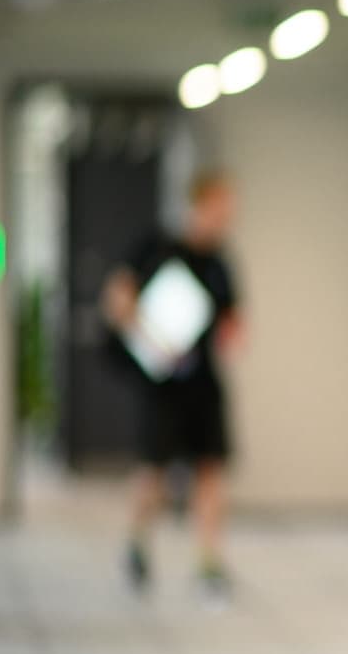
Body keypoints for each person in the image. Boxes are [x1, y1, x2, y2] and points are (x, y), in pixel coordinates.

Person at [102, 170, 244, 603]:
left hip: (202, 382)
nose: (225, 217)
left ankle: (209, 562)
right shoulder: (156, 245)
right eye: (219, 207)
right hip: (161, 381)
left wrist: (228, 333)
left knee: (210, 470)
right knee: (155, 474)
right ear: (198, 204)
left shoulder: (220, 261)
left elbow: (234, 321)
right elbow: (117, 298)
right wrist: (149, 335)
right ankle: (137, 542)